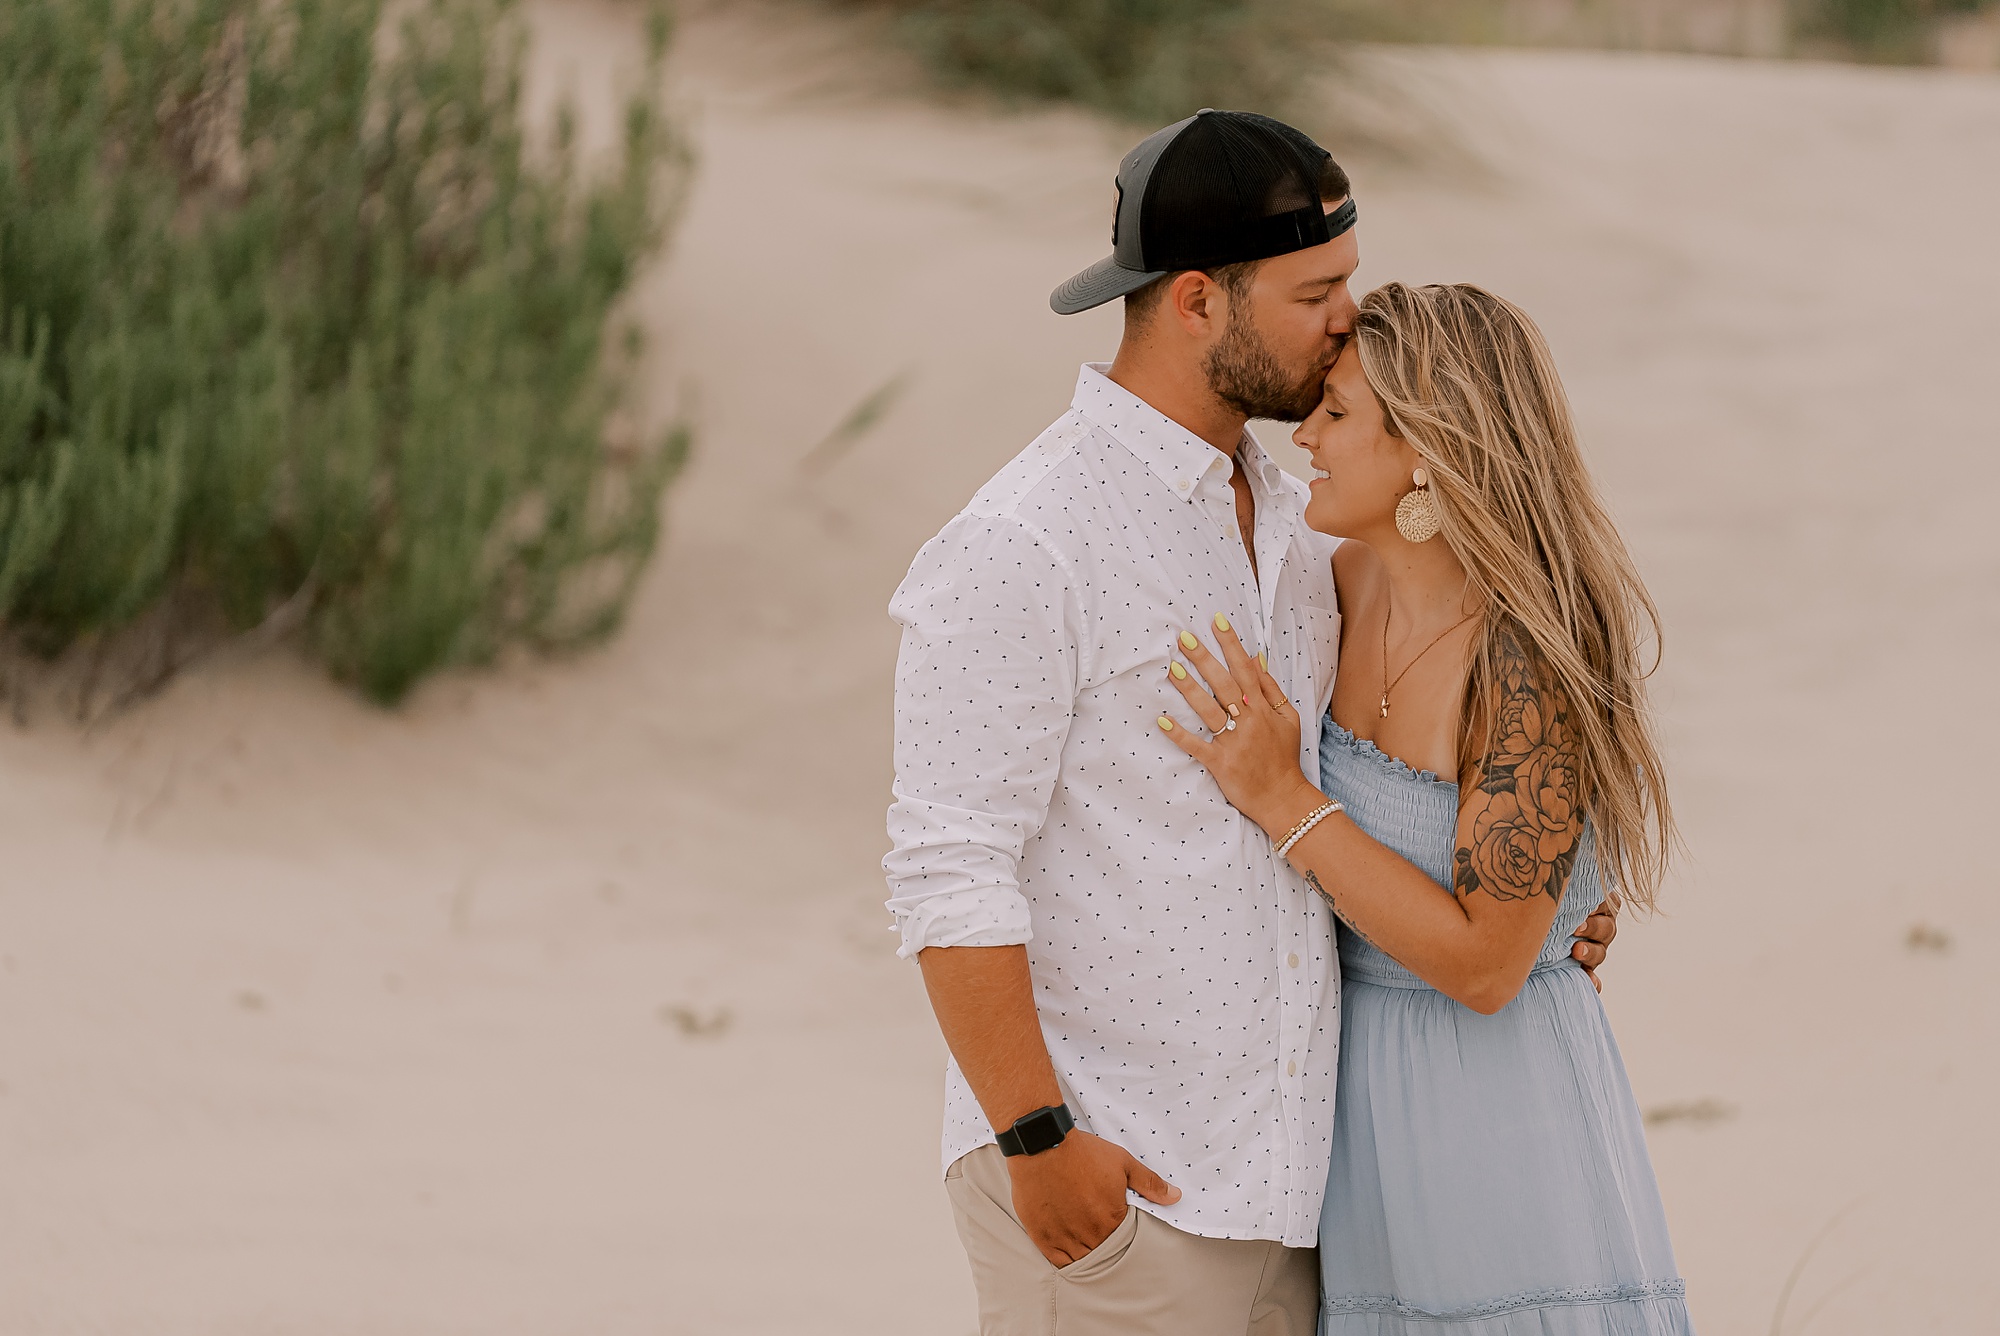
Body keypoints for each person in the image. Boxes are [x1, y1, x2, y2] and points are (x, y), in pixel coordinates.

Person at [884, 111, 1618, 1336]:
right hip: (1123, 1184)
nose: (1349, 315)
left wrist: (1543, 901)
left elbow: (1409, 775)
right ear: (1193, 303)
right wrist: (1037, 1137)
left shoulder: (1299, 530)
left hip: (1308, 1200)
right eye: (1316, 289)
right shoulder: (1027, 541)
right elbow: (946, 870)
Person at [1156, 281, 1693, 1333]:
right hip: (1354, 1131)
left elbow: (1488, 966)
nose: (1303, 432)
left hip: (1498, 1122)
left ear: (1427, 453)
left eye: (1338, 413)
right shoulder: (1331, 589)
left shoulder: (1526, 660)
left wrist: (1285, 801)